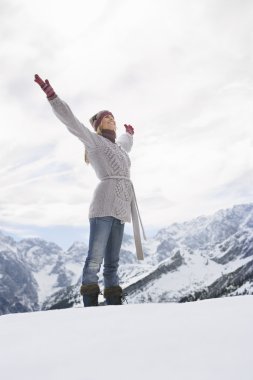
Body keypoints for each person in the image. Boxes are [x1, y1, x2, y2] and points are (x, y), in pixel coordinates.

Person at [34, 74, 146, 307]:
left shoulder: (120, 150)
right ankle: (90, 308)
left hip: (121, 208)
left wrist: (129, 134)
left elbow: (125, 144)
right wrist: (53, 97)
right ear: (97, 126)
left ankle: (114, 304)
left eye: (113, 117)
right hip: (104, 205)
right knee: (94, 260)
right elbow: (71, 122)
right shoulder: (94, 142)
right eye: (107, 118)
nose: (112, 120)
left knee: (113, 262)